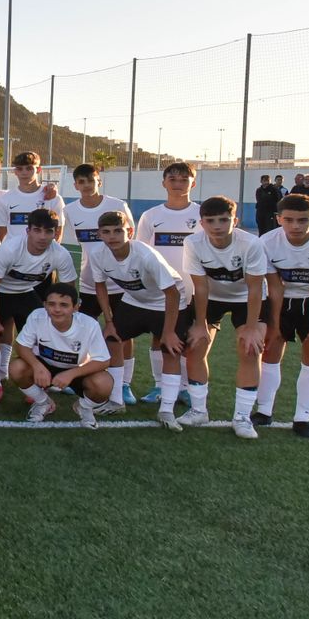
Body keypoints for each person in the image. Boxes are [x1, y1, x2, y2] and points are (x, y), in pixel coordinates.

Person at [88, 210, 187, 432]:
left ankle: (167, 410)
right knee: (112, 339)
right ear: (99, 234)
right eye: (106, 232)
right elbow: (100, 286)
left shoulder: (145, 255)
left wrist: (169, 332)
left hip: (166, 302)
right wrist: (110, 321)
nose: (112, 236)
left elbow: (173, 293)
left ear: (129, 232)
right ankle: (116, 401)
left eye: (118, 231)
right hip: (135, 300)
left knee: (170, 349)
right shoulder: (98, 255)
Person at [256, 193, 309, 440]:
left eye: (303, 220)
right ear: (278, 219)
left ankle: (303, 419)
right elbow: (274, 286)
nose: (296, 226)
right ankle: (264, 411)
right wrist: (273, 326)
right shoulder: (266, 242)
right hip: (281, 298)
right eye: (289, 220)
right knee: (271, 347)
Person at [183, 196, 269, 438]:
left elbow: (254, 288)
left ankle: (242, 417)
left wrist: (252, 328)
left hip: (247, 299)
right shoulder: (193, 243)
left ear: (236, 221)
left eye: (224, 220)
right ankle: (198, 410)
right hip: (212, 297)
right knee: (196, 345)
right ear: (202, 223)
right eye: (210, 220)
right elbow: (200, 287)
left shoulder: (251, 244)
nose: (217, 226)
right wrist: (200, 324)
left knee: (250, 349)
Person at [0, 208, 78, 404]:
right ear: (28, 231)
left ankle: (36, 384)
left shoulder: (60, 254)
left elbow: (69, 290)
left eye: (48, 231)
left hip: (26, 293)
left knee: (42, 337)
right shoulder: (10, 249)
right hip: (0, 292)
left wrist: (66, 317)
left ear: (55, 233)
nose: (43, 237)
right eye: (37, 230)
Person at [62, 163, 134, 407]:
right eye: (81, 182)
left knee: (122, 334)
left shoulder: (117, 205)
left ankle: (124, 385)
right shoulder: (70, 210)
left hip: (121, 284)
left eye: (90, 181)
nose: (86, 186)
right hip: (89, 283)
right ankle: (81, 378)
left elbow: (131, 237)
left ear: (98, 181)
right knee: (83, 331)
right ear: (75, 185)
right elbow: (71, 248)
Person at [134, 162, 200, 404]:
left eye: (184, 179)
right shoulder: (151, 216)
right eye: (173, 179)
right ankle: (159, 385)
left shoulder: (201, 215)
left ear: (193, 183)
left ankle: (183, 386)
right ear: (164, 183)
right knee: (158, 336)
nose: (178, 184)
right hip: (162, 288)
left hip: (194, 288)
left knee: (188, 339)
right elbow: (140, 251)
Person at [9, 284, 113, 428]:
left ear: (76, 307)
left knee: (104, 383)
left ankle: (84, 407)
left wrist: (70, 374)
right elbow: (21, 345)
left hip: (75, 369)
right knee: (16, 368)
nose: (57, 309)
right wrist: (37, 366)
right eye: (51, 304)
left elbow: (103, 360)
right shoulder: (37, 316)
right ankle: (43, 402)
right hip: (45, 366)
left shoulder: (89, 325)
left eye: (64, 305)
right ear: (44, 305)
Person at [1, 152, 65, 242]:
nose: (24, 173)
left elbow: (58, 233)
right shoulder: (5, 199)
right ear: (15, 172)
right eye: (20, 169)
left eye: (29, 168)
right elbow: (3, 235)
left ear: (38, 170)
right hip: (16, 255)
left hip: (44, 254)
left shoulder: (54, 198)